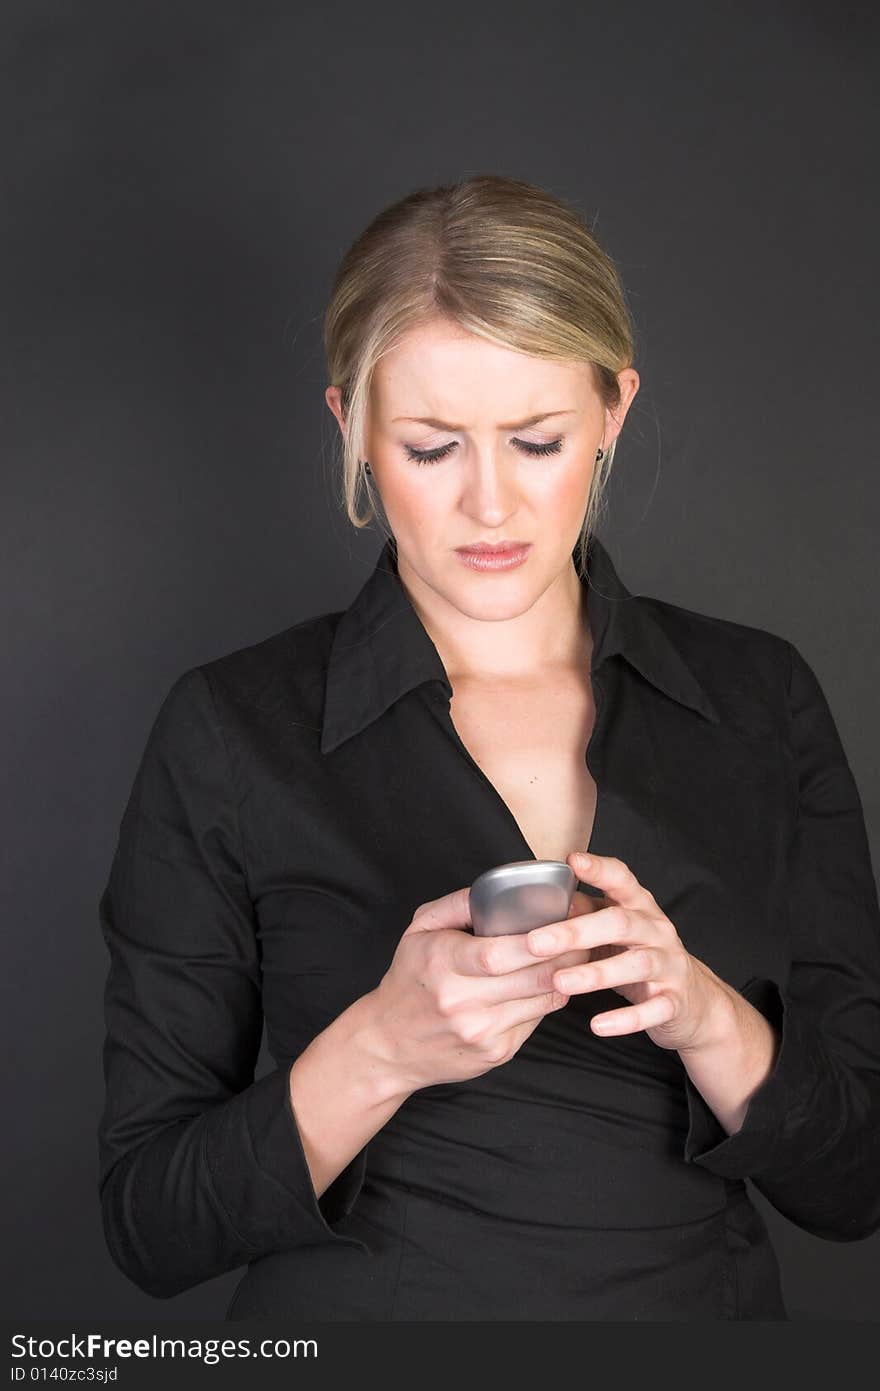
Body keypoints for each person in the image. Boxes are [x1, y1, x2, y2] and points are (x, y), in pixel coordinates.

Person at [97, 173, 880, 1321]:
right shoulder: (230, 726)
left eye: (535, 438)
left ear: (613, 412)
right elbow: (149, 1226)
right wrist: (383, 1044)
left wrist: (706, 1013)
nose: (491, 505)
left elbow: (854, 1184)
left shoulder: (760, 698)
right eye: (429, 447)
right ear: (352, 427)